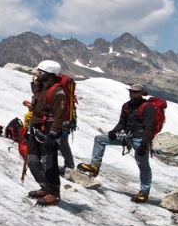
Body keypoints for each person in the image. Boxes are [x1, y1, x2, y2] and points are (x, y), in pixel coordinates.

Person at [78, 83, 162, 202]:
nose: (132, 93)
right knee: (100, 139)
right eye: (131, 91)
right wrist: (114, 131)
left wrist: (144, 144)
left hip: (140, 139)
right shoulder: (126, 106)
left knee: (143, 166)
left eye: (135, 92)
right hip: (127, 136)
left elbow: (149, 127)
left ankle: (144, 192)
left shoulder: (148, 107)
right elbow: (122, 122)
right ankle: (94, 166)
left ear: (141, 93)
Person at [26, 60, 72, 204]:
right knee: (32, 160)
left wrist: (53, 135)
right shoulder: (40, 88)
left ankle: (54, 194)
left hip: (49, 130)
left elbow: (59, 115)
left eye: (40, 72)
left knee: (49, 163)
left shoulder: (58, 92)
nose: (37, 75)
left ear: (50, 75)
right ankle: (45, 187)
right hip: (36, 128)